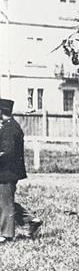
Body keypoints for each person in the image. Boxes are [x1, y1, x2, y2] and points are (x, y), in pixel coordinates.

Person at [0, 99, 43, 244]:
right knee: (5, 200)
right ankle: (31, 220)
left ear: (1, 111)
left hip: (7, 172)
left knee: (5, 203)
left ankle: (6, 235)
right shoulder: (10, 126)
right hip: (8, 171)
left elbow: (6, 152)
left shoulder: (9, 128)